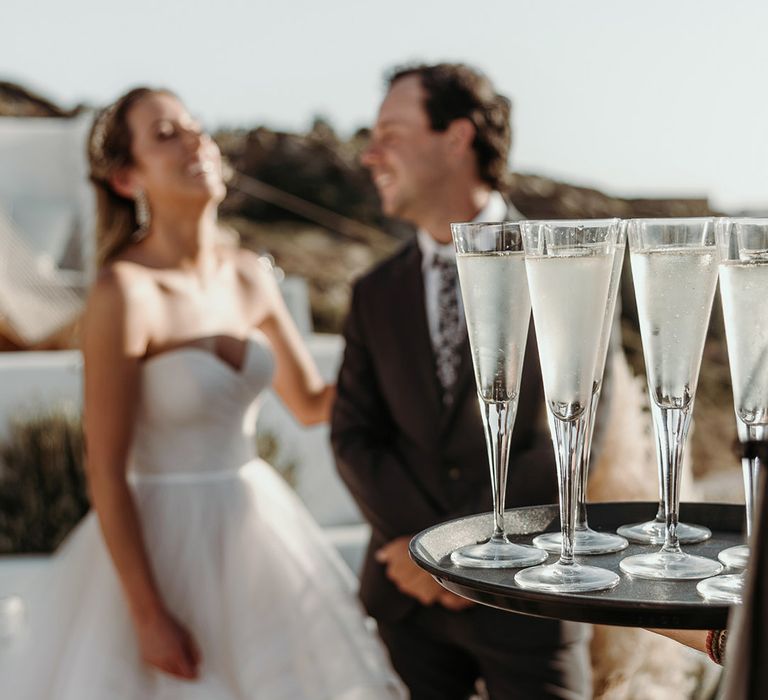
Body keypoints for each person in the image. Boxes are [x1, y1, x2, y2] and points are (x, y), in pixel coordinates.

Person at [0, 87, 404, 699]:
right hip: (162, 545)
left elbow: (312, 403)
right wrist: (147, 615)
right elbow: (104, 471)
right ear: (127, 179)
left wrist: (392, 343)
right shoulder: (124, 292)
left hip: (259, 532)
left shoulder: (249, 274)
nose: (194, 140)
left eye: (194, 126)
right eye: (166, 134)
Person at [331, 63, 595, 700]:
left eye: (391, 132)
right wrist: (426, 554)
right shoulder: (374, 292)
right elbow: (353, 436)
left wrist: (455, 553)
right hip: (405, 604)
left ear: (457, 137)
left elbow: (576, 432)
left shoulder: (571, 264)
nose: (371, 154)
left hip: (532, 596)